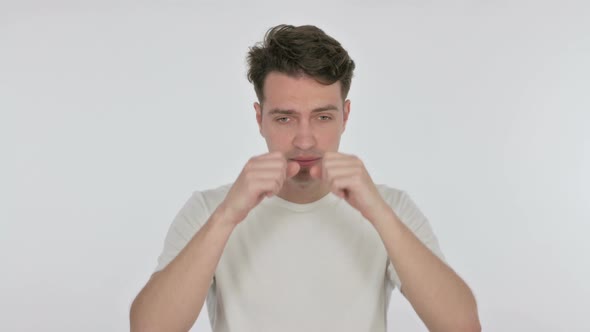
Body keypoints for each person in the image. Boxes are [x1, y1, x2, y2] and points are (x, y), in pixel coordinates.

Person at [130, 24, 481, 332]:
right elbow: (148, 328)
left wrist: (379, 214)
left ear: (345, 115)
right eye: (285, 118)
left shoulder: (391, 207)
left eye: (322, 117)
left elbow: (462, 326)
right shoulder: (209, 209)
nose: (304, 139)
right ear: (259, 118)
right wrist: (226, 217)